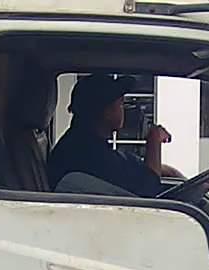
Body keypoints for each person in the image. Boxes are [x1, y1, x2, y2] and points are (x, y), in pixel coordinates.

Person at [47, 74, 183, 197]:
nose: (124, 110)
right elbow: (150, 191)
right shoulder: (86, 154)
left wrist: (167, 171)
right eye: (121, 104)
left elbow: (127, 170)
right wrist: (154, 142)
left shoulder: (83, 144)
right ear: (107, 112)